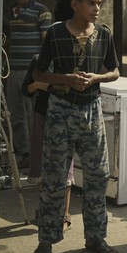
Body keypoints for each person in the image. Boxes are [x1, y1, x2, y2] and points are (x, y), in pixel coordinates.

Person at [32, 0, 120, 253]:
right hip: (60, 109)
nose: (97, 9)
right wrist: (66, 79)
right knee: (54, 177)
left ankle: (95, 237)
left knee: (98, 175)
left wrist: (97, 78)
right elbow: (38, 75)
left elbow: (115, 70)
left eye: (99, 3)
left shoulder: (104, 34)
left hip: (91, 110)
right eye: (91, 3)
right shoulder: (56, 33)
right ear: (75, 4)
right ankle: (46, 240)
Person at [4, 0, 53, 168]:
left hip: (32, 73)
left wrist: (42, 74)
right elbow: (6, 42)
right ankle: (24, 154)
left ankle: (37, 156)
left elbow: (47, 44)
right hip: (12, 71)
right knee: (16, 116)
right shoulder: (9, 12)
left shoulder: (42, 11)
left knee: (35, 116)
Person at [22, 54, 75, 231]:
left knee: (66, 165)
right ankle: (44, 211)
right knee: (41, 163)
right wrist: (38, 85)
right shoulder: (38, 60)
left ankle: (64, 214)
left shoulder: (71, 59)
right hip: (42, 115)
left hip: (65, 117)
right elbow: (25, 89)